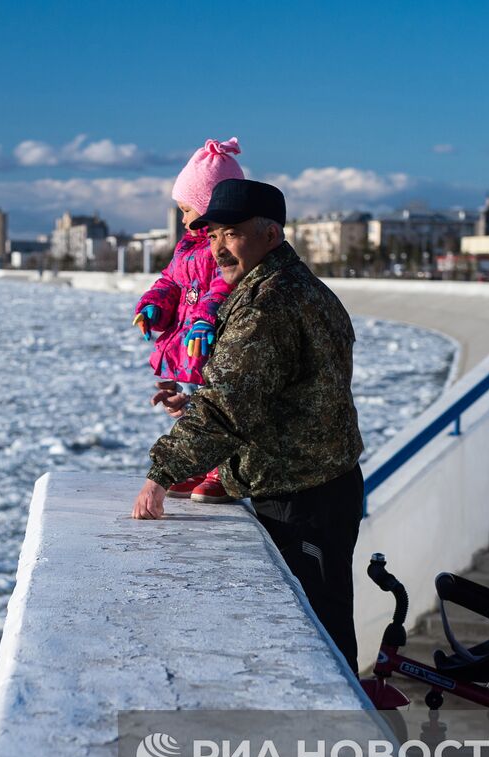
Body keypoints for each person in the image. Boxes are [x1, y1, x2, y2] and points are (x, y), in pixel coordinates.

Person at [131, 179, 365, 669]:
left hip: (302, 497)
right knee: (325, 627)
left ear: (271, 235)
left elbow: (230, 406)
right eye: (212, 234)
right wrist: (199, 406)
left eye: (231, 233)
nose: (218, 248)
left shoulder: (267, 304)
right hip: (317, 488)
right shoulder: (298, 286)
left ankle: (338, 738)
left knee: (319, 643)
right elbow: (270, 393)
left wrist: (162, 473)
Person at [131, 138, 245, 504]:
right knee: (191, 404)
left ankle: (219, 470)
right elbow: (170, 282)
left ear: (207, 204)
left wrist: (206, 320)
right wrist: (153, 306)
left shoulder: (222, 246)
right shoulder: (186, 246)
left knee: (213, 404)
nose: (182, 218)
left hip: (207, 340)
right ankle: (196, 464)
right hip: (188, 342)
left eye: (185, 209)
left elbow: (224, 283)